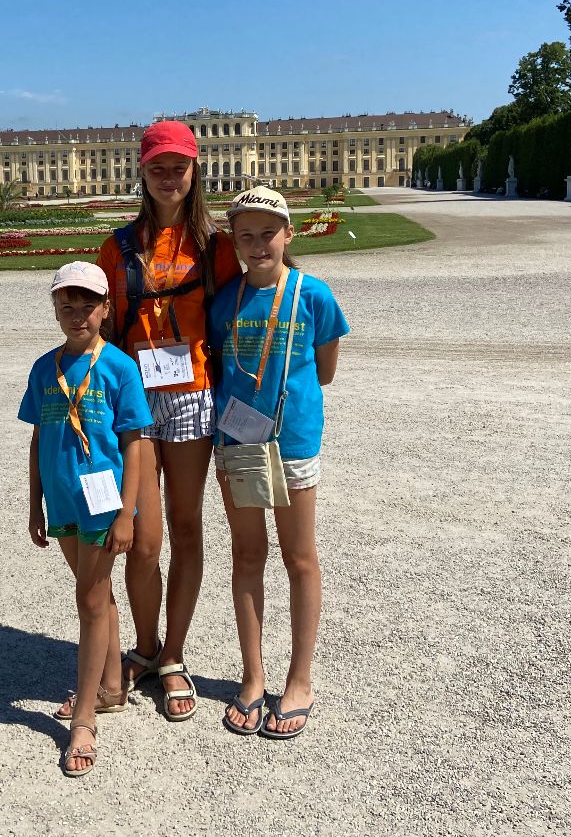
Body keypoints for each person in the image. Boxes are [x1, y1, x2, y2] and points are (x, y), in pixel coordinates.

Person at [95, 120, 240, 721]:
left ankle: (172, 655)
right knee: (144, 540)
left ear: (194, 169)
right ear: (142, 169)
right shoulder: (117, 247)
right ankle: (146, 646)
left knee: (185, 525)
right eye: (157, 165)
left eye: (178, 165)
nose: (168, 175)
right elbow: (97, 331)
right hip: (134, 399)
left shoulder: (217, 247)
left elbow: (241, 322)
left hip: (193, 394)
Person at [206, 186, 348, 739]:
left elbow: (326, 369)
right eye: (246, 235)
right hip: (238, 440)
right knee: (247, 554)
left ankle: (300, 679)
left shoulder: (313, 295)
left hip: (292, 441)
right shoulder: (227, 300)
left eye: (268, 233)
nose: (258, 243)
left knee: (300, 558)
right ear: (235, 243)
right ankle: (252, 674)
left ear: (289, 235)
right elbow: (219, 366)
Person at [20, 262, 151, 776]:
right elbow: (37, 439)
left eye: (88, 307)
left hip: (103, 503)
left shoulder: (118, 367)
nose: (78, 317)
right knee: (96, 593)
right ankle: (113, 685)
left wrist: (126, 512)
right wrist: (34, 503)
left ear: (105, 309)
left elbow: (136, 443)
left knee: (89, 601)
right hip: (64, 501)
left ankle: (86, 718)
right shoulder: (44, 367)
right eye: (66, 307)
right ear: (55, 310)